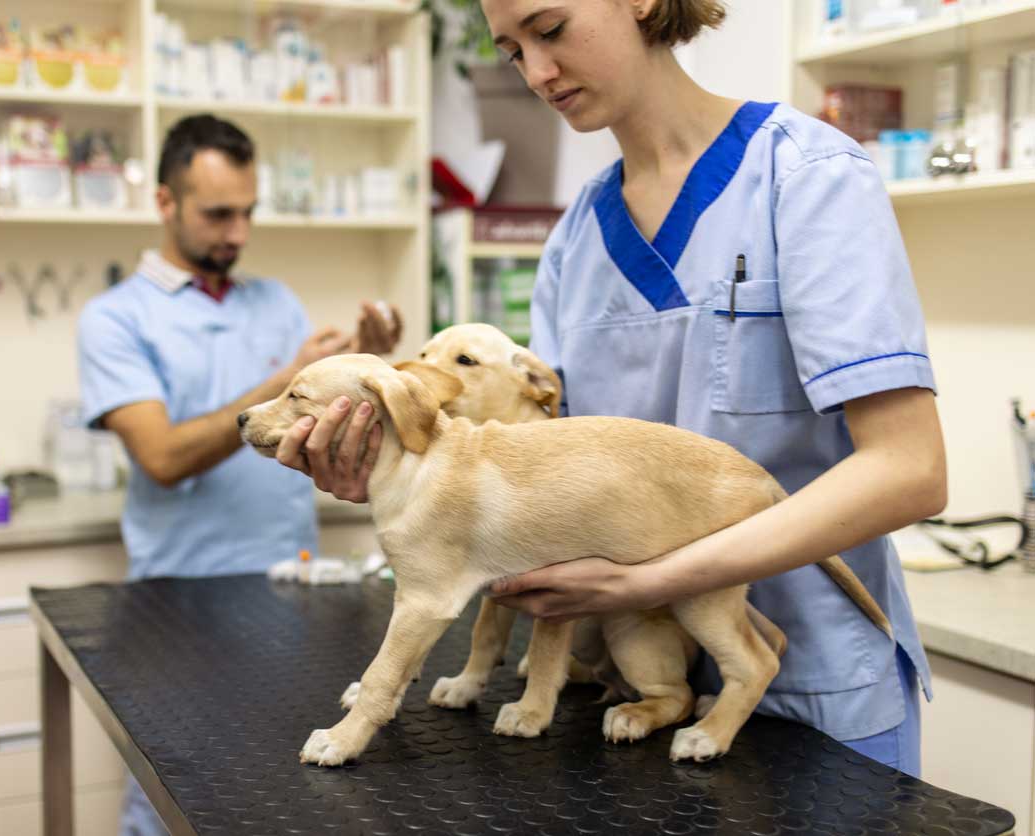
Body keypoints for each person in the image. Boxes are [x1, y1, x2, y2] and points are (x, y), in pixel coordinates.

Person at [274, 0, 946, 776]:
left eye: (550, 30)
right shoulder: (577, 236)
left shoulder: (808, 179)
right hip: (634, 692)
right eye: (511, 50)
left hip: (814, 691)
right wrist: (394, 476)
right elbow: (542, 458)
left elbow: (910, 472)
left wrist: (649, 581)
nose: (537, 72)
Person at [77, 114, 402, 835]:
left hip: (293, 596)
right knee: (173, 791)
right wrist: (284, 381)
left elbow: (313, 425)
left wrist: (375, 367)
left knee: (285, 795)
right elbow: (160, 458)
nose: (238, 232)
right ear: (166, 203)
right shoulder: (115, 320)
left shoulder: (274, 302)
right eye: (218, 213)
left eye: (248, 212)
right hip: (180, 606)